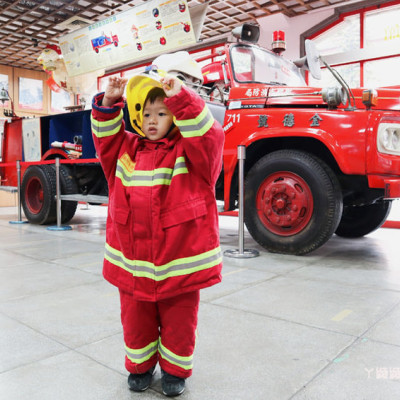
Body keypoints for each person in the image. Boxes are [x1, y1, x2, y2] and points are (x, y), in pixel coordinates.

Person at [91, 68, 224, 396]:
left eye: (162, 112)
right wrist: (109, 101)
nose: (152, 119)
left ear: (176, 117)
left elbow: (210, 136)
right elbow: (105, 138)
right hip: (132, 263)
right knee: (135, 320)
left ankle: (175, 371)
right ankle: (140, 366)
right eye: (146, 112)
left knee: (180, 320)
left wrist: (182, 97)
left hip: (178, 263)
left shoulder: (193, 155)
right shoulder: (125, 151)